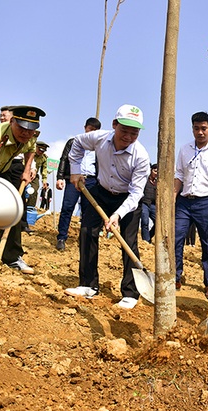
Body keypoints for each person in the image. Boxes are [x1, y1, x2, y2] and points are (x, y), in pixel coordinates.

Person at [64, 105, 150, 310]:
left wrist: (117, 215)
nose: (128, 136)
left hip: (127, 200)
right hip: (101, 192)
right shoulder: (99, 138)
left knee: (129, 242)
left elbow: (137, 193)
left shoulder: (141, 157)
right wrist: (74, 171)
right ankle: (88, 284)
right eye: (124, 130)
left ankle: (130, 293)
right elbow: (76, 144)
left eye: (134, 132)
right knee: (87, 232)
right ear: (114, 125)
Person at [0, 105, 45, 274]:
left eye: (31, 130)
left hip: (3, 167)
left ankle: (12, 256)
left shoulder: (29, 134)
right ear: (12, 121)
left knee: (14, 206)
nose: (26, 133)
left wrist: (27, 169)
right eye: (22, 128)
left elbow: (30, 148)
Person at [174, 111, 208, 298]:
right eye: (196, 128)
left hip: (207, 202)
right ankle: (175, 277)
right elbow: (179, 174)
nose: (200, 132)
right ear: (192, 129)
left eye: (204, 128)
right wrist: (173, 194)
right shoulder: (184, 149)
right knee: (176, 238)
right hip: (184, 202)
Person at [55, 117, 102, 251]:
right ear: (85, 128)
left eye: (95, 130)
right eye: (90, 129)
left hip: (91, 181)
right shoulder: (73, 142)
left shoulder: (99, 147)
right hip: (74, 180)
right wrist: (60, 177)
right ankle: (62, 237)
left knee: (88, 212)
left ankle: (84, 239)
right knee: (67, 207)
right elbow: (64, 159)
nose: (92, 132)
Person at [27, 141, 49, 208]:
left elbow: (44, 169)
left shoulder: (44, 158)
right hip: (24, 172)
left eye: (44, 150)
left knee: (34, 191)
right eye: (40, 149)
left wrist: (44, 180)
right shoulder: (29, 152)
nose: (41, 152)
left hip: (34, 176)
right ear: (36, 147)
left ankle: (30, 208)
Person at [140, 163, 157, 243]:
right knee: (145, 222)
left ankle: (149, 236)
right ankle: (146, 241)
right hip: (145, 204)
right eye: (155, 171)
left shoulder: (158, 182)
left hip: (154, 205)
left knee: (158, 222)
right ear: (151, 170)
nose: (156, 173)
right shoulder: (145, 180)